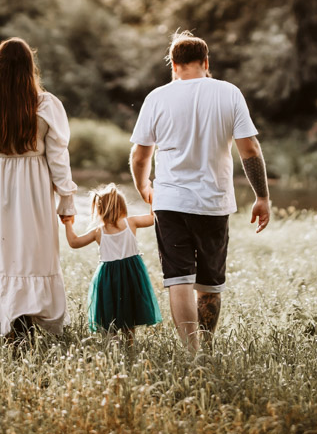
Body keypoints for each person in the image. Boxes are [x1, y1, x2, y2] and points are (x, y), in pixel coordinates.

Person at [129, 30, 270, 352]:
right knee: (209, 282)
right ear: (206, 62)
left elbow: (140, 155)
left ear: (173, 65)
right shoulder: (229, 92)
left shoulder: (157, 97)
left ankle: (190, 352)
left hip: (169, 200)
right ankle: (205, 349)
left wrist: (144, 187)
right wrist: (262, 197)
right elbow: (249, 150)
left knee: (178, 279)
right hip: (213, 202)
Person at [0, 37, 77, 341]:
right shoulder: (46, 104)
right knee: (31, 251)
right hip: (33, 184)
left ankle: (0, 319)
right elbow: (58, 157)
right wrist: (66, 200)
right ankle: (26, 317)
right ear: (29, 68)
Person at [64, 183, 162, 337]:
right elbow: (152, 218)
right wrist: (152, 198)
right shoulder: (131, 222)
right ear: (123, 206)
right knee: (130, 311)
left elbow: (74, 242)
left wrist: (68, 223)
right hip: (131, 271)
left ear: (99, 210)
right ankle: (130, 345)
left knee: (109, 311)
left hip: (109, 275)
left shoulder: (98, 231)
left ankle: (112, 344)